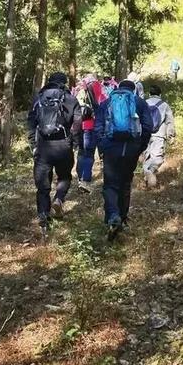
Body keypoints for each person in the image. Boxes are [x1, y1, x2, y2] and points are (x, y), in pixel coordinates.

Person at [94, 78, 153, 240]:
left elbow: (98, 127)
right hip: (131, 148)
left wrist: (102, 146)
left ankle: (113, 216)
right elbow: (148, 127)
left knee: (110, 184)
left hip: (111, 147)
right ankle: (123, 217)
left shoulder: (106, 103)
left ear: (118, 89)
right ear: (133, 90)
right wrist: (140, 146)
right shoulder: (139, 102)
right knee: (126, 183)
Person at [27, 71, 81, 228]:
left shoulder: (39, 97)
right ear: (64, 83)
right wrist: (74, 142)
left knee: (43, 184)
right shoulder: (70, 98)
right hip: (63, 145)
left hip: (43, 146)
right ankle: (58, 199)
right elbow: (77, 123)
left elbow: (31, 122)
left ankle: (43, 215)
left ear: (50, 81)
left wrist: (33, 143)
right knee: (64, 176)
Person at [75, 74, 106, 194]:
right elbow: (103, 103)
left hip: (82, 125)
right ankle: (86, 180)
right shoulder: (97, 87)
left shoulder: (80, 89)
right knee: (94, 154)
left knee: (83, 152)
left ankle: (80, 178)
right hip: (95, 125)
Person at [142, 85, 176, 189]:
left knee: (146, 156)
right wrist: (171, 135)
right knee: (157, 158)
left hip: (145, 134)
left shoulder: (144, 103)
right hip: (159, 135)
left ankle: (147, 177)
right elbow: (170, 121)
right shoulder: (164, 105)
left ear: (149, 94)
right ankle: (150, 172)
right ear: (160, 94)